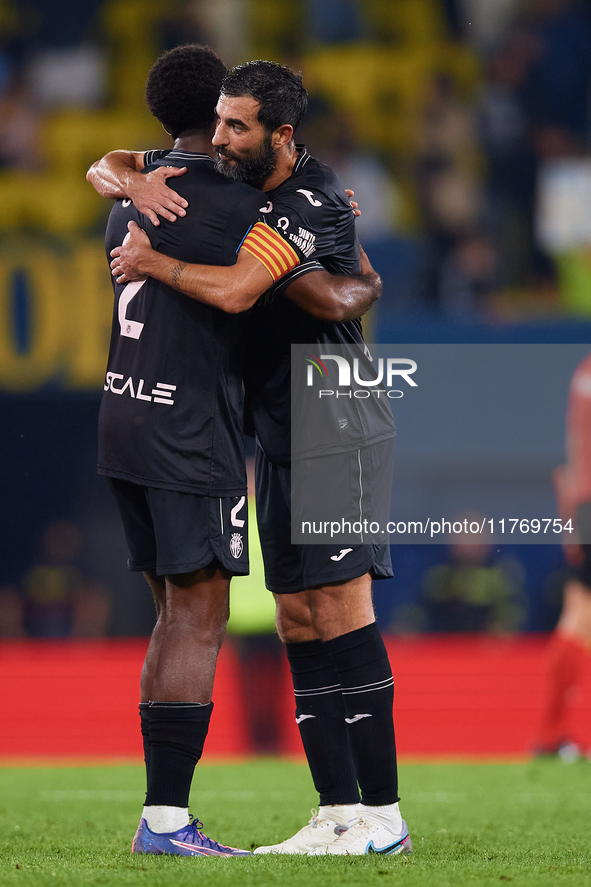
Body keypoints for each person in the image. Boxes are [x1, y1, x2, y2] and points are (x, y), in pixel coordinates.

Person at [103, 59, 410, 857]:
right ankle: (334, 809)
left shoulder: (307, 198)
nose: (219, 135)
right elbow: (117, 159)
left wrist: (150, 261)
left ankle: (382, 818)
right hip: (274, 416)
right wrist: (125, 177)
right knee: (295, 614)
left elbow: (244, 291)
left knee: (342, 608)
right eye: (216, 119)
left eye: (236, 126)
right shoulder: (243, 186)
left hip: (335, 409)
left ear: (280, 134)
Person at [535, 353, 591, 759]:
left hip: (583, 501)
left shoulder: (583, 372)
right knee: (579, 617)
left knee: (578, 615)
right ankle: (552, 734)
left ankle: (552, 734)